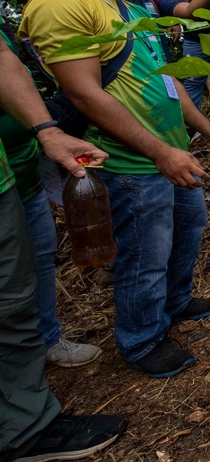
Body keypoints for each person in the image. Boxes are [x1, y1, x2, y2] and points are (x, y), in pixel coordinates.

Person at [20, 0, 210, 379]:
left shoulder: (123, 2)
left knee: (188, 228)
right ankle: (143, 340)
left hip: (169, 149)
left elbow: (163, 77)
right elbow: (84, 93)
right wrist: (159, 151)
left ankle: (177, 303)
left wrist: (205, 129)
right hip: (129, 161)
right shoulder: (61, 3)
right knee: (144, 252)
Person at [0, 0, 127, 462]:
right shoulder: (58, 3)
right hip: (99, 159)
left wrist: (44, 130)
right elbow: (84, 90)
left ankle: (32, 386)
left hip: (14, 164)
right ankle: (22, 428)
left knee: (22, 282)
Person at [0, 28, 102, 369]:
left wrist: (47, 131)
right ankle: (21, 375)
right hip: (5, 180)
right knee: (8, 281)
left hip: (23, 172)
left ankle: (47, 340)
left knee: (41, 256)